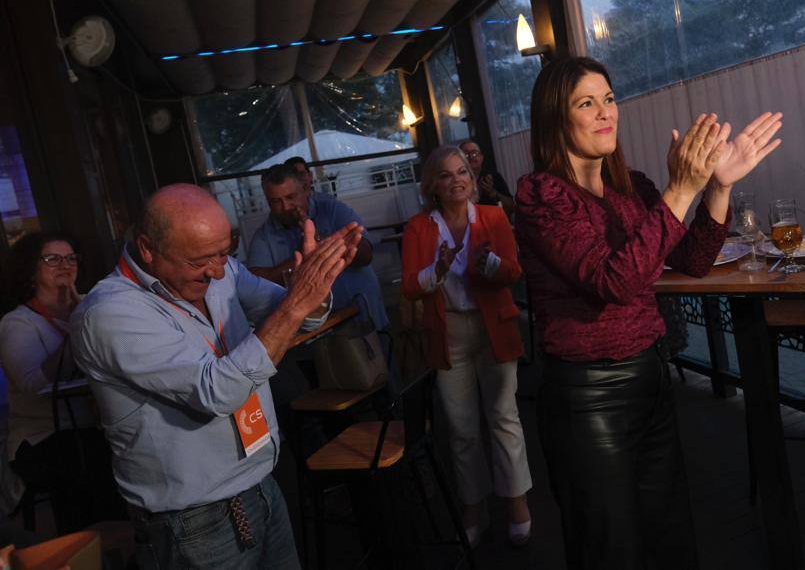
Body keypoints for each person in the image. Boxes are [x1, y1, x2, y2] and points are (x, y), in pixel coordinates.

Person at [515, 56, 782, 569]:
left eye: (609, 99)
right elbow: (614, 281)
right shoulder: (541, 194)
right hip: (588, 399)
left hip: (650, 380)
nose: (604, 113)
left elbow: (694, 260)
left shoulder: (632, 187)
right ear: (555, 118)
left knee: (670, 539)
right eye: (586, 103)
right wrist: (681, 189)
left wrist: (717, 186)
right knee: (612, 548)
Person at [71, 184, 362, 569]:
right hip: (195, 520)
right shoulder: (109, 313)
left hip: (261, 484)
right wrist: (295, 304)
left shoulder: (218, 270)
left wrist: (313, 288)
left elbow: (296, 313)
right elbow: (217, 391)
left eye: (226, 253)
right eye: (201, 260)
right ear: (147, 249)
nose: (219, 269)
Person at [400, 145, 532, 547]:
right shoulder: (419, 228)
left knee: (503, 417)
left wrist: (488, 265)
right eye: (445, 174)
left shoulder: (492, 217)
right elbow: (409, 288)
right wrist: (437, 270)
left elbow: (513, 272)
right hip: (449, 333)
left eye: (462, 172)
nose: (456, 179)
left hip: (494, 329)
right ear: (432, 186)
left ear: (472, 180)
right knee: (460, 429)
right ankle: (474, 507)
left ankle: (516, 503)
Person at [0, 232, 124, 534]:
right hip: (44, 437)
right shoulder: (18, 323)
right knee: (96, 458)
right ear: (31, 271)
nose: (64, 265)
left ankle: (126, 541)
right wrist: (77, 324)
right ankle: (92, 545)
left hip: (94, 425)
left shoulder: (90, 303)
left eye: (70, 258)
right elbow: (35, 384)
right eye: (52, 258)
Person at [248, 164, 388, 328]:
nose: (285, 207)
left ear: (306, 189)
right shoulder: (264, 236)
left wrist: (320, 240)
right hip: (312, 327)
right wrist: (307, 254)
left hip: (362, 312)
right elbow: (255, 282)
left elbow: (366, 255)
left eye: (291, 197)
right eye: (275, 201)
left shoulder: (332, 210)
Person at [458, 140, 515, 214]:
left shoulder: (493, 176)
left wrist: (493, 193)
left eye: (474, 153)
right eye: (466, 154)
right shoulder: (458, 181)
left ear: (481, 157)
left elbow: (511, 206)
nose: (471, 157)